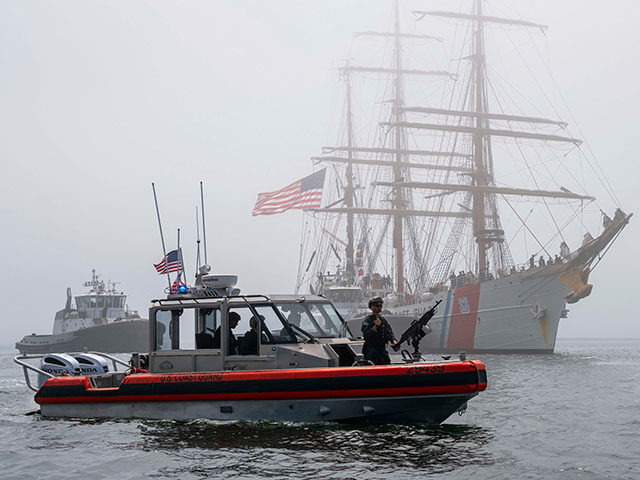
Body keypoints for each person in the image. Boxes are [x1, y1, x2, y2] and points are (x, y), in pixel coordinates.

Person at [361, 296, 397, 365]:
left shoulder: (382, 320)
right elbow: (366, 335)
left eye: (380, 306)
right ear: (371, 307)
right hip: (371, 352)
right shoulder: (368, 320)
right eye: (377, 306)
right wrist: (375, 327)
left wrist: (394, 341)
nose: (379, 307)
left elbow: (389, 331)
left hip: (382, 351)